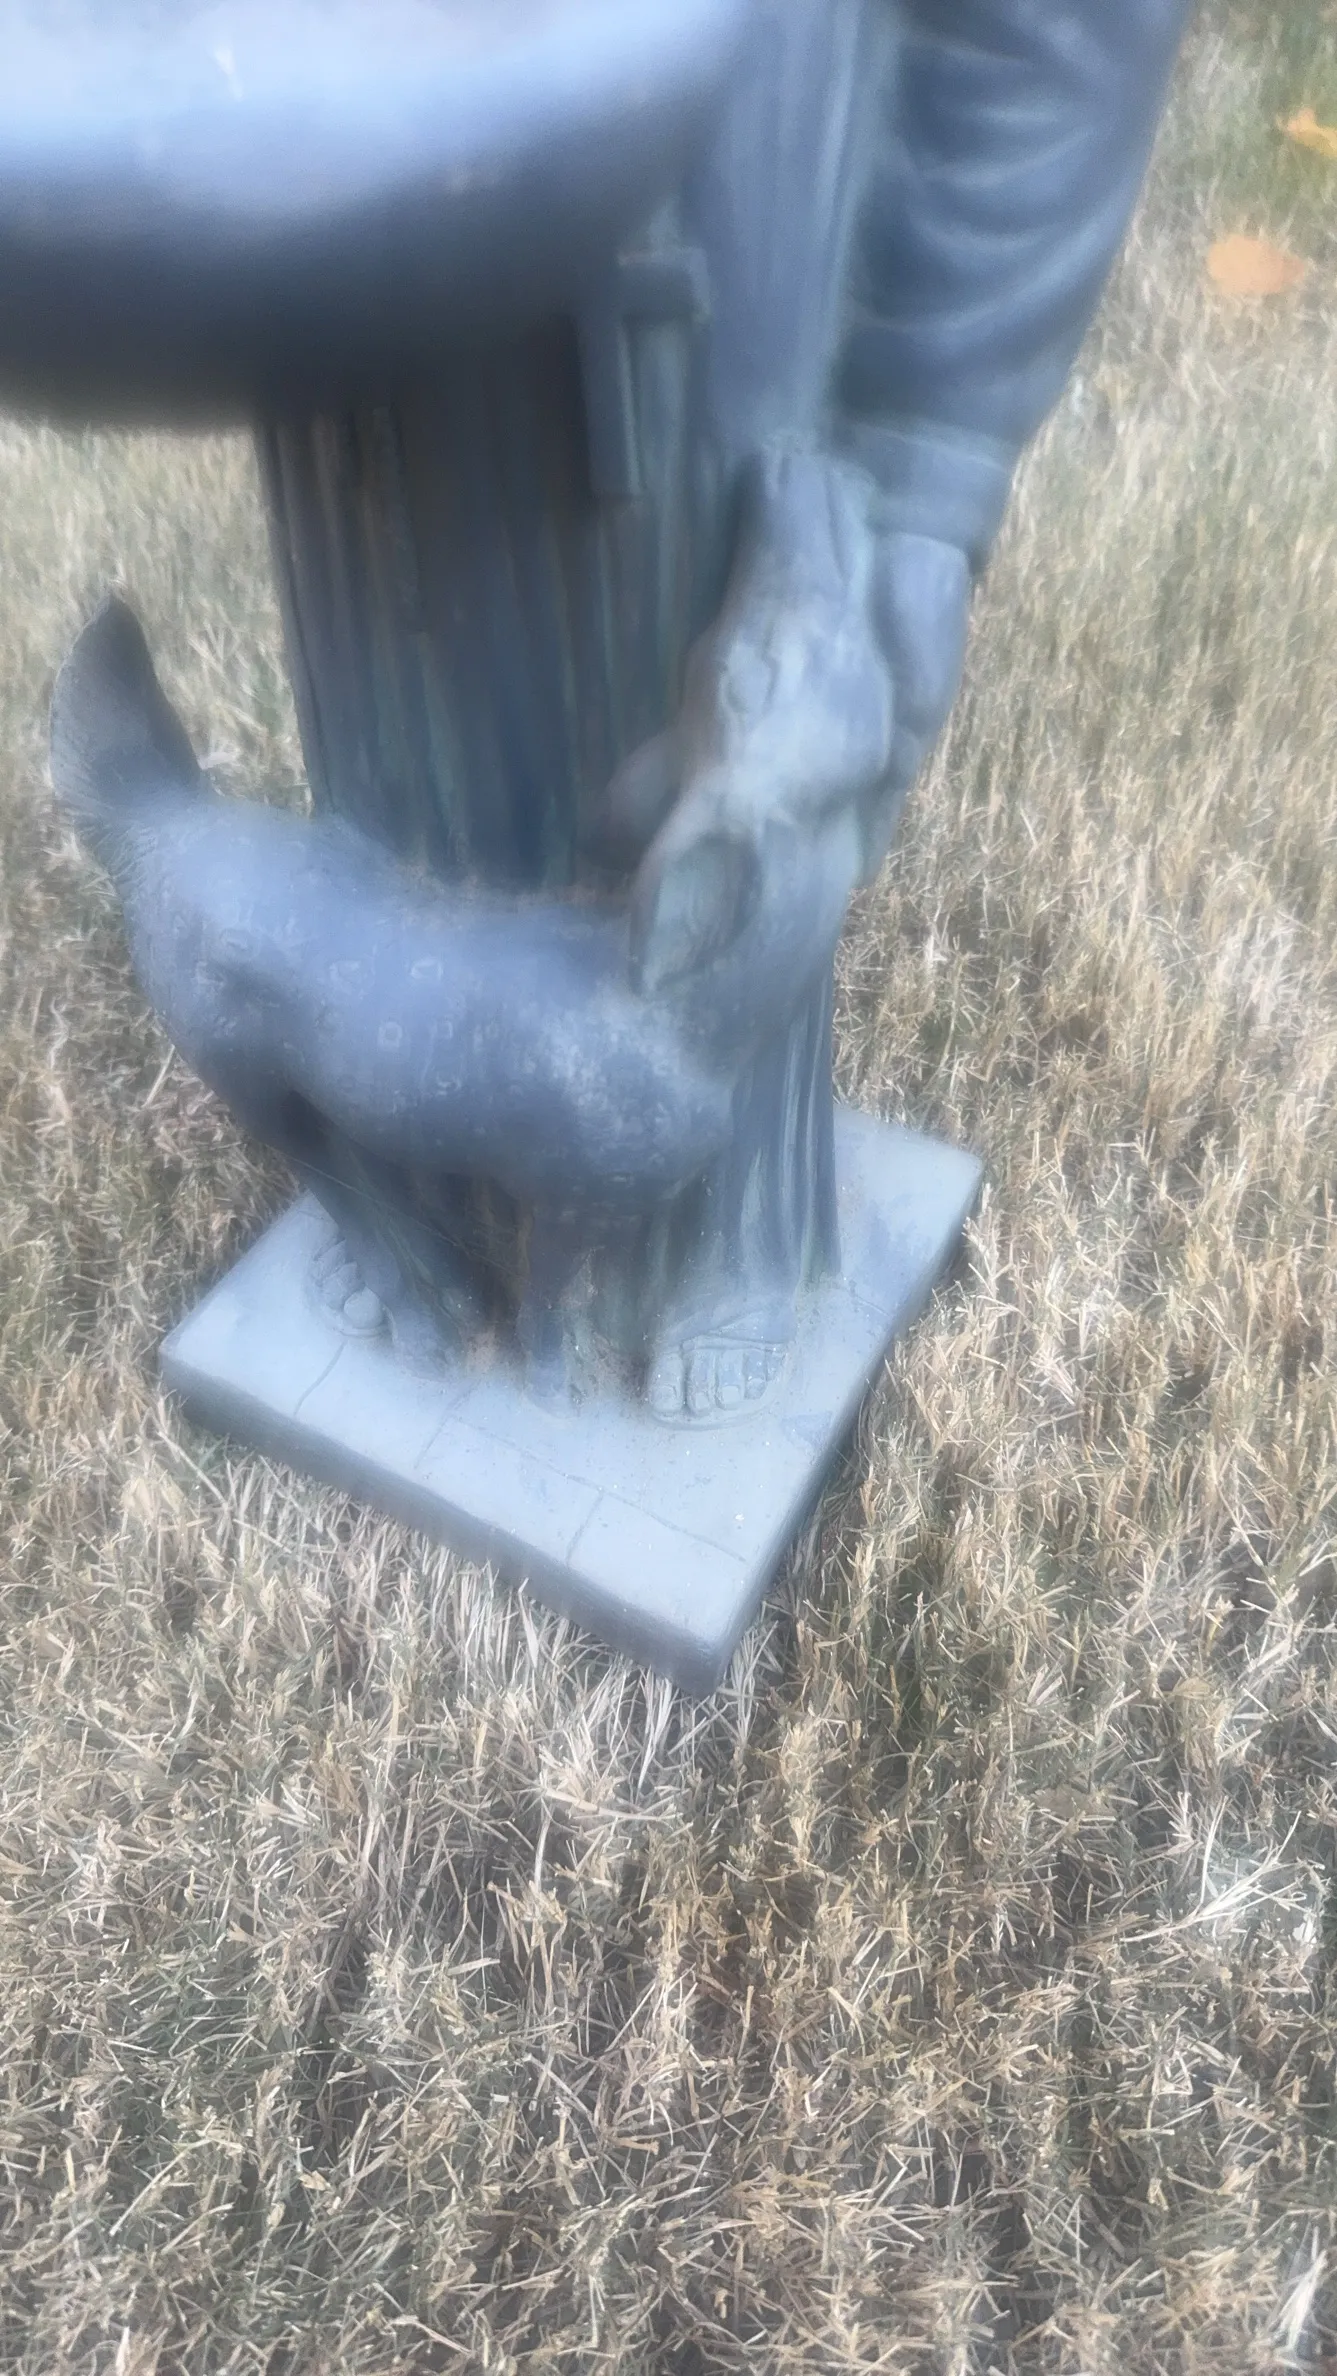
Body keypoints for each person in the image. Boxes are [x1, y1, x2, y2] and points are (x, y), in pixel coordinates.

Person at [256, 0, 1193, 1418]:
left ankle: (722, 1240)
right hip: (346, 261)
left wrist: (929, 442)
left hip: (730, 254)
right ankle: (419, 1202)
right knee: (415, 754)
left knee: (735, 788)